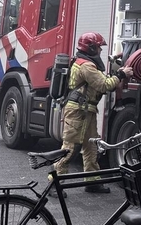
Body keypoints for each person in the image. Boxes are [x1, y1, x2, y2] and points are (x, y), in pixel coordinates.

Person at [51, 32, 132, 196]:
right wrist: (121, 75)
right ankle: (54, 184)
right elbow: (104, 85)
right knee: (70, 148)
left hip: (86, 110)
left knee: (91, 147)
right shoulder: (86, 66)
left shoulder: (85, 62)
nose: (100, 51)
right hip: (78, 111)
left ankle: (93, 182)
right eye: (99, 47)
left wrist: (117, 71)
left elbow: (100, 80)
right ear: (91, 47)